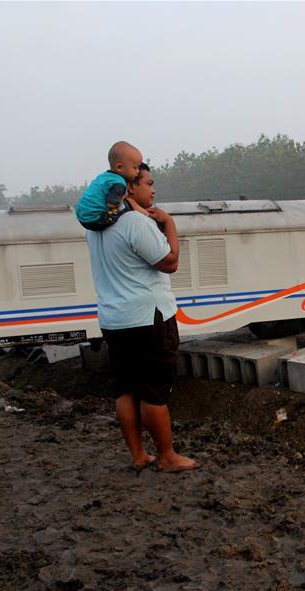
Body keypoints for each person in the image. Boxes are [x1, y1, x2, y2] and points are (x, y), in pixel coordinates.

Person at [86, 162, 199, 474]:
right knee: (154, 390)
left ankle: (138, 454)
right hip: (148, 318)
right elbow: (170, 262)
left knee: (126, 389)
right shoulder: (135, 222)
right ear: (129, 188)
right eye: (148, 183)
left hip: (114, 319)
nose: (154, 189)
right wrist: (170, 225)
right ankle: (167, 456)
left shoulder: (96, 225)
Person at [76, 141, 144, 231]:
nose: (138, 171)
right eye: (135, 168)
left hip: (81, 216)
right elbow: (112, 204)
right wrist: (123, 198)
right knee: (127, 207)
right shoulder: (119, 183)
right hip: (94, 220)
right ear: (119, 167)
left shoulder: (104, 177)